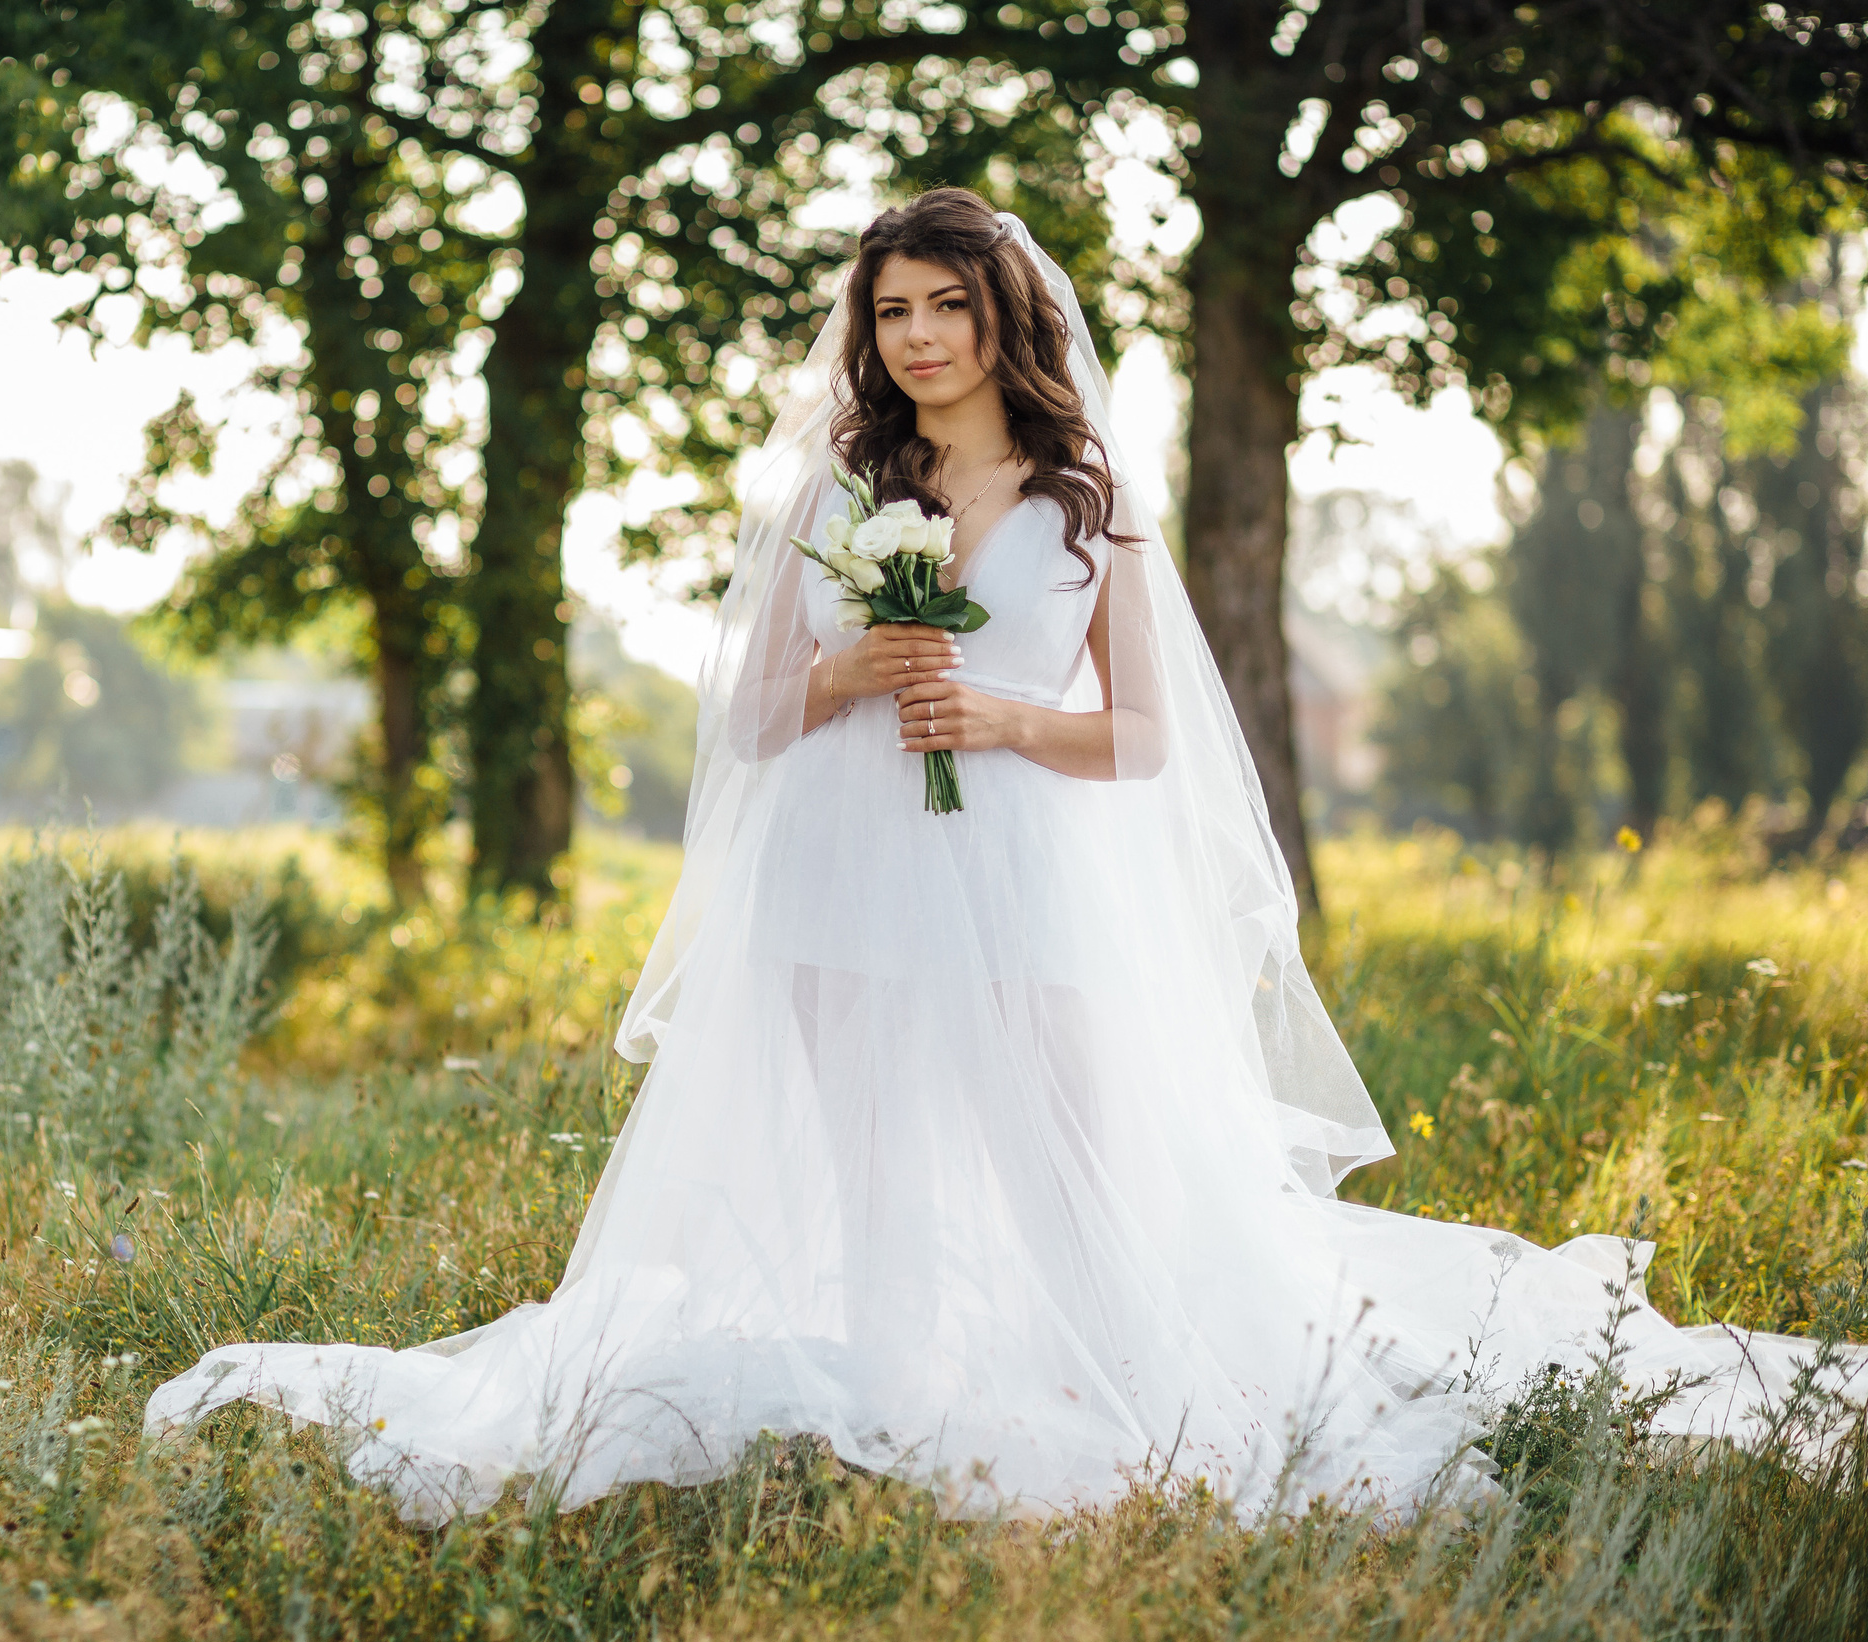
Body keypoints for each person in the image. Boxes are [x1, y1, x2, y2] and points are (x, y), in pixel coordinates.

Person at [147, 188, 1860, 1525]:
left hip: (1031, 870)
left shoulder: (1084, 495)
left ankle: (1131, 1400)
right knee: (869, 1159)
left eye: (943, 307)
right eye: (889, 312)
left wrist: (1000, 717)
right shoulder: (836, 486)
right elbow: (752, 719)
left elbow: (1145, 738)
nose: (914, 337)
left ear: (1001, 315)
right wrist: (854, 674)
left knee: (1072, 1150)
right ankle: (896, 1402)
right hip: (836, 867)